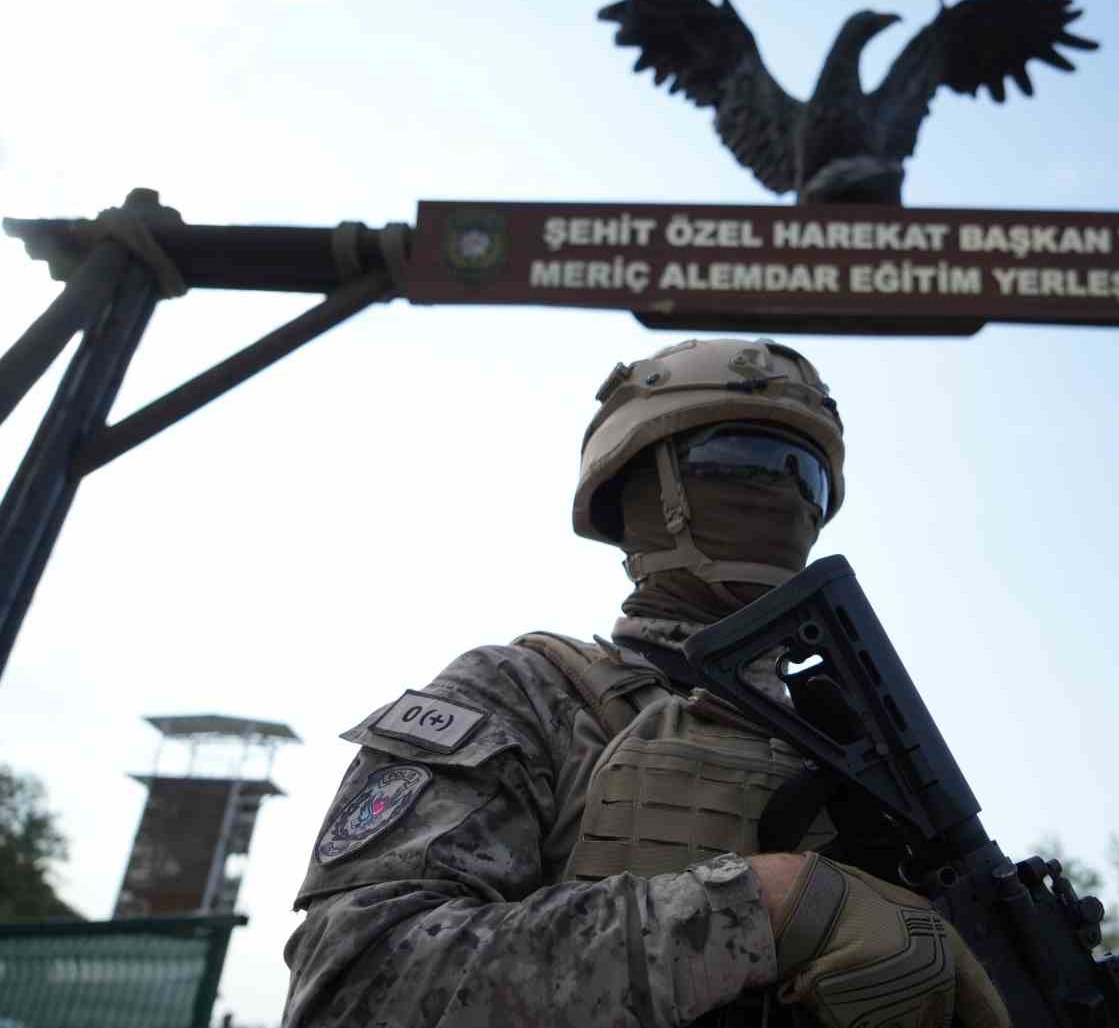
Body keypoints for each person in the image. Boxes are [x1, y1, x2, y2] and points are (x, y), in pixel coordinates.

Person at [281, 337, 1010, 1027]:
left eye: (805, 474)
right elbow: (354, 985)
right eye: (749, 457)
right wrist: (765, 906)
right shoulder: (529, 694)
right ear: (641, 493)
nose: (784, 494)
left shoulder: (868, 758)